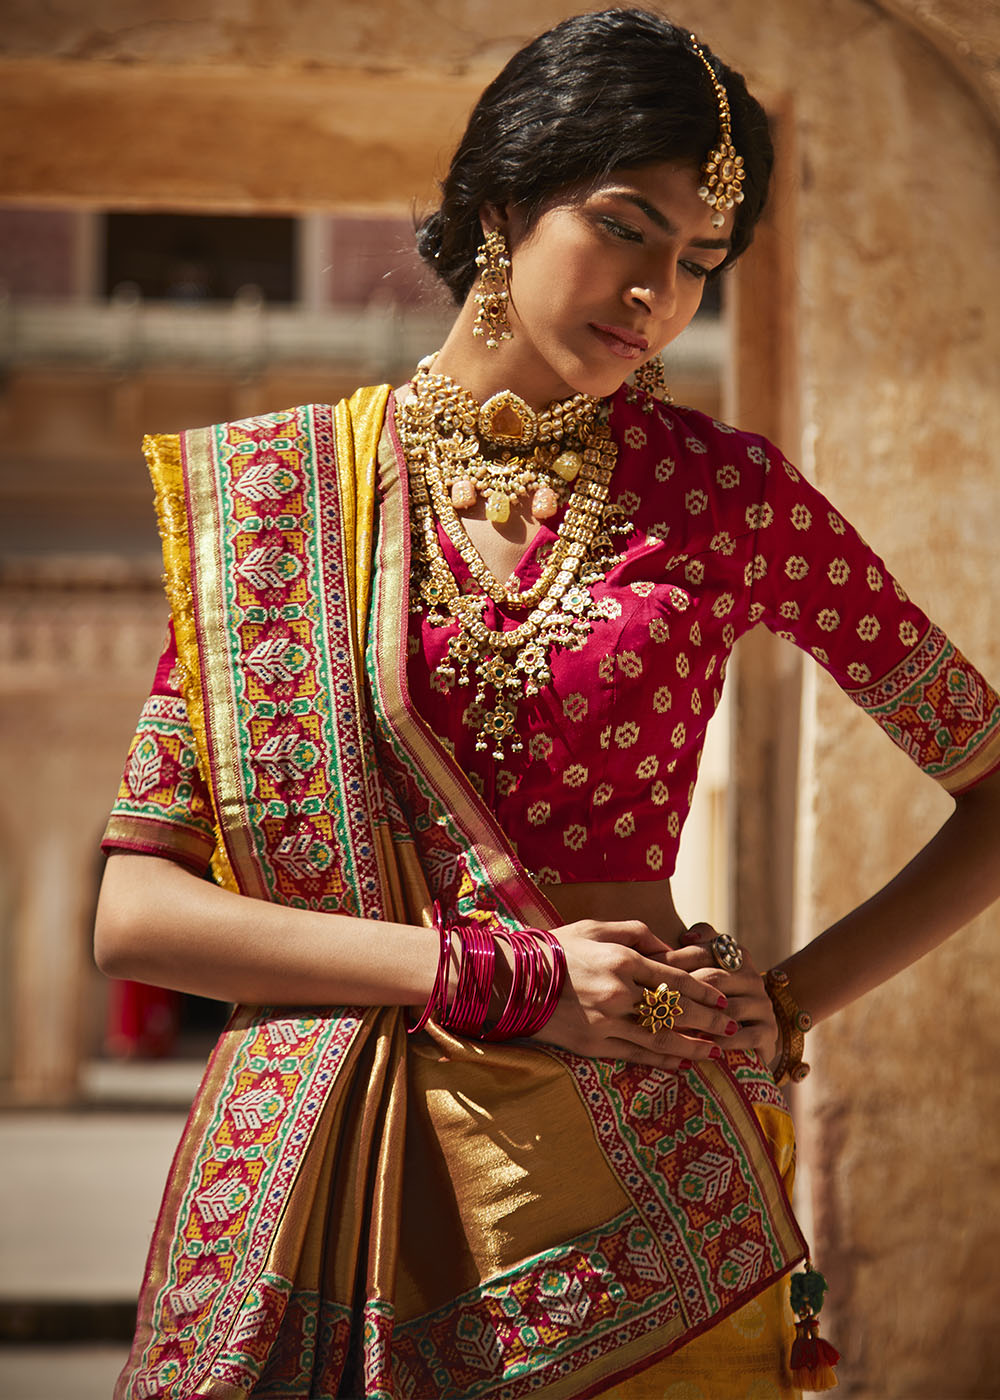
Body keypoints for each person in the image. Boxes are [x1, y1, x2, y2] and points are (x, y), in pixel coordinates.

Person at [95, 10, 1000, 1399]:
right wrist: (500, 976)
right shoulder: (278, 510)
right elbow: (140, 914)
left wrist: (794, 1003)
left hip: (645, 1206)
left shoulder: (728, 497)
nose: (659, 295)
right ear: (503, 202)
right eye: (628, 226)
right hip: (333, 1194)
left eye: (700, 263)